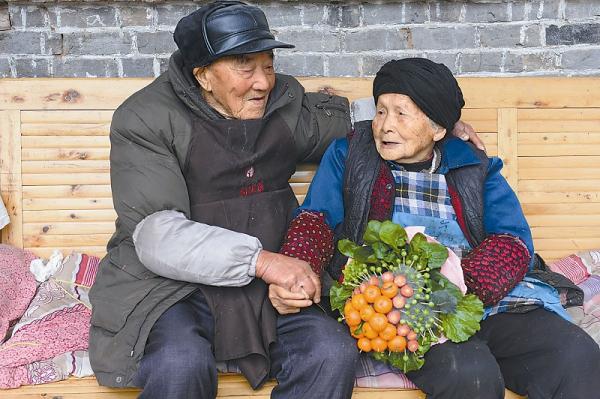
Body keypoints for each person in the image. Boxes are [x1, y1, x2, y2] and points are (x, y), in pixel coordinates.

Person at [88, 1, 482, 398]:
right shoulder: (146, 119)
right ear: (203, 75)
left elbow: (351, 121)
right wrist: (262, 262)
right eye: (245, 65)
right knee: (179, 363)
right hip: (173, 287)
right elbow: (158, 235)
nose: (263, 81)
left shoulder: (282, 105)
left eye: (268, 64)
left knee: (329, 352)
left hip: (274, 285)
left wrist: (433, 118)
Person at [279, 57, 600, 399]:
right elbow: (316, 222)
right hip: (399, 307)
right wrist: (299, 269)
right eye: (381, 111)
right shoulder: (348, 155)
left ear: (438, 129)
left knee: (575, 355)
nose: (386, 126)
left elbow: (512, 241)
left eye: (402, 113)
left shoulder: (472, 165)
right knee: (471, 375)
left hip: (482, 297)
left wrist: (457, 287)